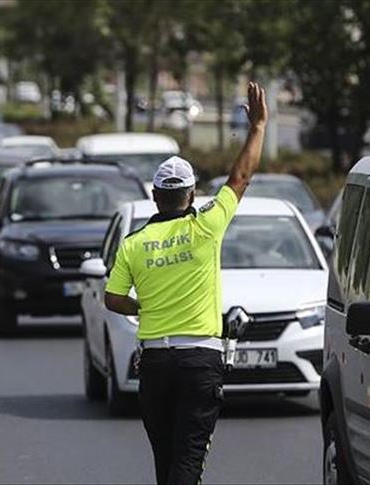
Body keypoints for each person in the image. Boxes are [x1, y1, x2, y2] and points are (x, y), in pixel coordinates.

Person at [104, 82, 267, 485]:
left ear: (156, 196)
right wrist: (258, 127)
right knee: (188, 461)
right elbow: (241, 176)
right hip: (200, 362)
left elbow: (112, 298)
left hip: (155, 364)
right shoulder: (207, 226)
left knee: (167, 461)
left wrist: (144, 307)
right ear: (192, 195)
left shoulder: (134, 244)